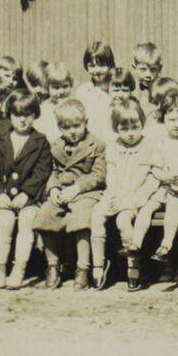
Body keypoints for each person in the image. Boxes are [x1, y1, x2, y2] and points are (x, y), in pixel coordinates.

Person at [90, 97, 164, 291]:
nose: (130, 133)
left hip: (137, 193)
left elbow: (142, 178)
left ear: (142, 124)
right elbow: (112, 175)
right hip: (117, 191)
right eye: (124, 128)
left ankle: (133, 266)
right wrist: (113, 195)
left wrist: (125, 197)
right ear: (117, 129)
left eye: (134, 127)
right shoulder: (114, 146)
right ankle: (98, 266)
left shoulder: (148, 146)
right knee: (97, 216)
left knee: (123, 220)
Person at [34, 99, 107, 290]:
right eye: (66, 127)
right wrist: (54, 189)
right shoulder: (55, 145)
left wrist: (76, 188)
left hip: (87, 192)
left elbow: (98, 175)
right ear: (59, 127)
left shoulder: (96, 144)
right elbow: (53, 172)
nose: (73, 131)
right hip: (62, 192)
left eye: (77, 125)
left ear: (86, 122)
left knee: (81, 218)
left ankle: (82, 267)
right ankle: (53, 265)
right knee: (44, 215)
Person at [0, 89, 52, 289]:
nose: (22, 120)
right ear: (9, 115)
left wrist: (26, 193)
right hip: (5, 197)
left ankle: (19, 268)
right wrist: (0, 194)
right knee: (5, 222)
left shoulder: (40, 141)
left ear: (35, 115)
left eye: (28, 114)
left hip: (30, 198)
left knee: (26, 222)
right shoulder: (2, 140)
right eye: (17, 115)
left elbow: (42, 172)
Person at [130, 93, 178, 264]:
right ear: (164, 119)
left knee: (172, 210)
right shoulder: (160, 142)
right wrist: (166, 177)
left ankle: (166, 245)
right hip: (164, 187)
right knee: (146, 209)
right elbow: (155, 169)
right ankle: (135, 244)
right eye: (172, 119)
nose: (176, 124)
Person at [74, 41, 115, 142]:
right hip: (91, 144)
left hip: (114, 143)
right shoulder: (82, 92)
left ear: (110, 65)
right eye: (92, 66)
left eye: (101, 65)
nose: (97, 70)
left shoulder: (117, 90)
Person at [36, 62, 75, 143]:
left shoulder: (76, 107)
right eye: (56, 88)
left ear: (71, 85)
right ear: (47, 87)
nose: (61, 91)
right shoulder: (43, 110)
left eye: (65, 86)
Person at [130, 42, 164, 117]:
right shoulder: (131, 93)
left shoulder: (163, 93)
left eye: (153, 70)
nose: (148, 75)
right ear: (134, 68)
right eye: (143, 69)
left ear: (160, 69)